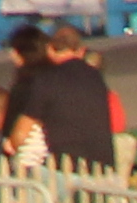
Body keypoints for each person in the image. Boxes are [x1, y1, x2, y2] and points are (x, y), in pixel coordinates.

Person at [13, 33, 118, 173]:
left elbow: (21, 133)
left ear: (50, 50)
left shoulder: (45, 81)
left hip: (65, 172)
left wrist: (12, 145)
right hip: (103, 171)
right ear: (81, 51)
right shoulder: (95, 77)